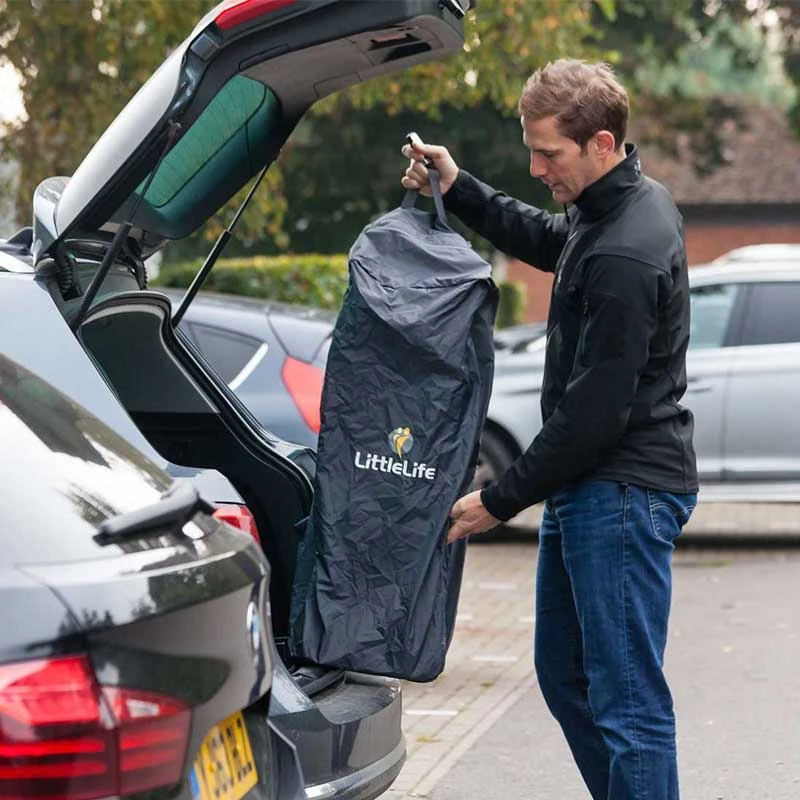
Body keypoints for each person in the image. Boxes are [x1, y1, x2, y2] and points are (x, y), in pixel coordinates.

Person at [401, 59, 698, 800]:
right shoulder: (608, 209)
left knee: (628, 701)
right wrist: (458, 186)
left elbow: (594, 415)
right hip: (591, 486)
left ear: (602, 143)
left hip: (623, 490)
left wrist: (498, 500)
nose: (536, 169)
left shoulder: (627, 249)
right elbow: (547, 237)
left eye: (548, 154)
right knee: (566, 676)